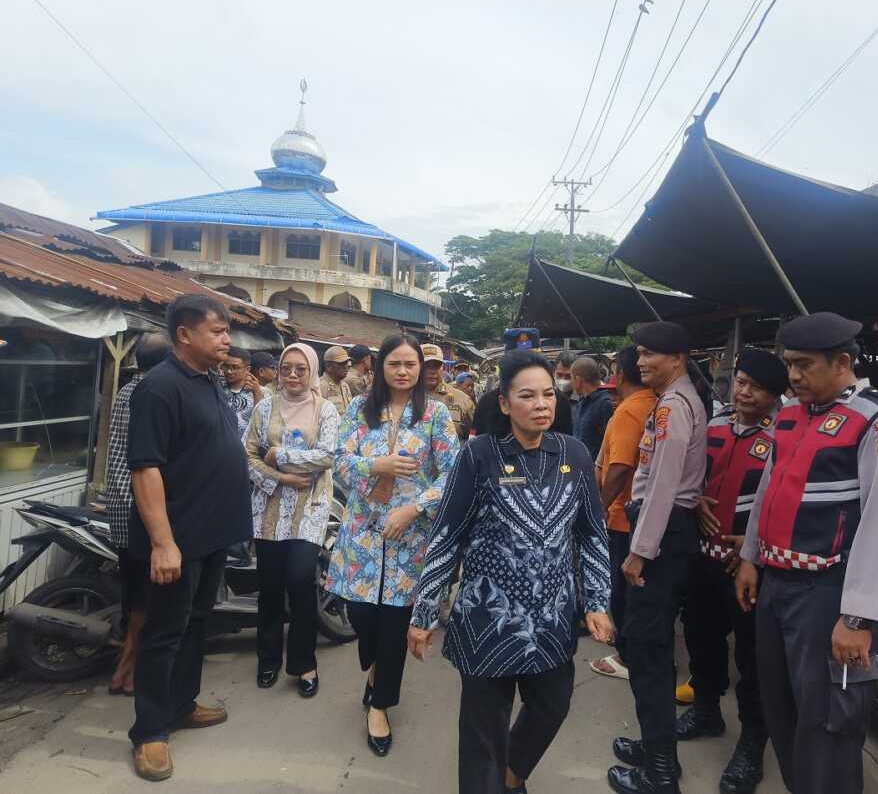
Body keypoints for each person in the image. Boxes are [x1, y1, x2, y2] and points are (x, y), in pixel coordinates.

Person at [407, 349, 614, 794]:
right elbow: (447, 535)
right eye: (527, 395)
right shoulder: (478, 455)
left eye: (547, 395)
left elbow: (592, 534)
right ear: (504, 403)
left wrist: (597, 601)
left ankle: (513, 772)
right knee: (483, 734)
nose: (541, 404)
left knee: (552, 707)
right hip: (488, 621)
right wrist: (424, 614)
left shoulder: (574, 454)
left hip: (553, 623)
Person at [734, 312, 878, 794]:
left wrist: (857, 619)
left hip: (827, 596)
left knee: (828, 723)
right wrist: (751, 557)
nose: (792, 376)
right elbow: (769, 490)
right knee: (784, 712)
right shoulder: (792, 414)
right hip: (776, 585)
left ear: (842, 362)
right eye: (789, 364)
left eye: (803, 365)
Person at [126, 294, 254, 781]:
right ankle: (150, 732)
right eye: (218, 332)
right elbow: (146, 469)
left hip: (211, 534)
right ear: (185, 334)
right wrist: (163, 542)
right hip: (176, 539)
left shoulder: (210, 381)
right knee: (163, 634)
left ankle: (182, 704)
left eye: (226, 332)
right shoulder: (159, 389)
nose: (227, 340)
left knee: (198, 623)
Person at [325, 334, 460, 757]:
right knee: (362, 615)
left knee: (397, 624)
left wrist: (415, 507)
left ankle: (381, 704)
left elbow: (452, 476)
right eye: (394, 364)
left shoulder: (435, 415)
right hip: (363, 533)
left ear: (421, 369)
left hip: (411, 538)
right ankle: (376, 668)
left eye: (411, 364)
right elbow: (339, 460)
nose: (403, 371)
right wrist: (375, 465)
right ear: (381, 368)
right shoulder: (360, 410)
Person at [678, 349, 788, 794]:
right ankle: (705, 709)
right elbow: (692, 477)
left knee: (751, 656)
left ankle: (751, 745)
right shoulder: (715, 425)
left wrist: (753, 550)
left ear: (775, 394)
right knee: (700, 637)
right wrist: (696, 500)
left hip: (748, 567)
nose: (743, 392)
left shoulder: (785, 435)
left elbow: (784, 501)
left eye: (755, 386)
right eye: (740, 382)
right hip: (703, 557)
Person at [609, 322, 708, 794]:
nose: (641, 361)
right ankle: (655, 746)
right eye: (640, 354)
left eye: (650, 354)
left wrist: (639, 552)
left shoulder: (672, 407)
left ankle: (661, 772)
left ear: (677, 358)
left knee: (647, 650)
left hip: (661, 536)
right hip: (664, 531)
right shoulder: (674, 402)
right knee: (647, 647)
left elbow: (664, 487)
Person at [245, 343, 339, 698]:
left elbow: (327, 455)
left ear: (312, 371)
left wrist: (279, 454)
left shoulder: (326, 410)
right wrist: (281, 476)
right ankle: (268, 658)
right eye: (287, 369)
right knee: (269, 587)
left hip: (310, 509)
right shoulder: (264, 407)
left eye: (301, 369)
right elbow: (248, 454)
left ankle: (303, 663)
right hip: (268, 508)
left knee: (300, 582)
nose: (294, 375)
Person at [104, 332, 171, 697]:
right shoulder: (152, 396)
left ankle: (125, 669)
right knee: (146, 599)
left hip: (119, 508)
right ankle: (129, 670)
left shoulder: (127, 392)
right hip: (141, 514)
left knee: (134, 596)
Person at [590, 345, 657, 682]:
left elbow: (619, 466)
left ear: (620, 373)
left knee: (622, 592)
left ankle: (628, 657)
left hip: (623, 516)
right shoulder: (650, 404)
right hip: (639, 514)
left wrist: (598, 506)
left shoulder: (631, 410)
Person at [423, 343, 475, 441]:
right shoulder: (403, 398)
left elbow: (475, 429)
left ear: (442, 367)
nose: (432, 371)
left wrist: (470, 447)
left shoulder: (463, 399)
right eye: (427, 366)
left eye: (436, 366)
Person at [572, 355, 616, 460]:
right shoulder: (581, 403)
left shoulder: (605, 404)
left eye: (571, 377)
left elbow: (609, 444)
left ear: (578, 380)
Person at [221, 346, 263, 435]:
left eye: (235, 367)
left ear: (247, 369)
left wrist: (257, 394)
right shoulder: (216, 388)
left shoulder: (261, 392)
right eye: (226, 366)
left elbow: (263, 424)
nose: (229, 371)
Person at [321, 345, 354, 414]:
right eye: (341, 363)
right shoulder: (320, 387)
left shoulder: (345, 386)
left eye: (346, 362)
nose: (346, 366)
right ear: (328, 366)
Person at [554, 350, 579, 426]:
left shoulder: (583, 401)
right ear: (553, 373)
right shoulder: (547, 398)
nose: (563, 379)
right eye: (559, 375)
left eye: (568, 376)